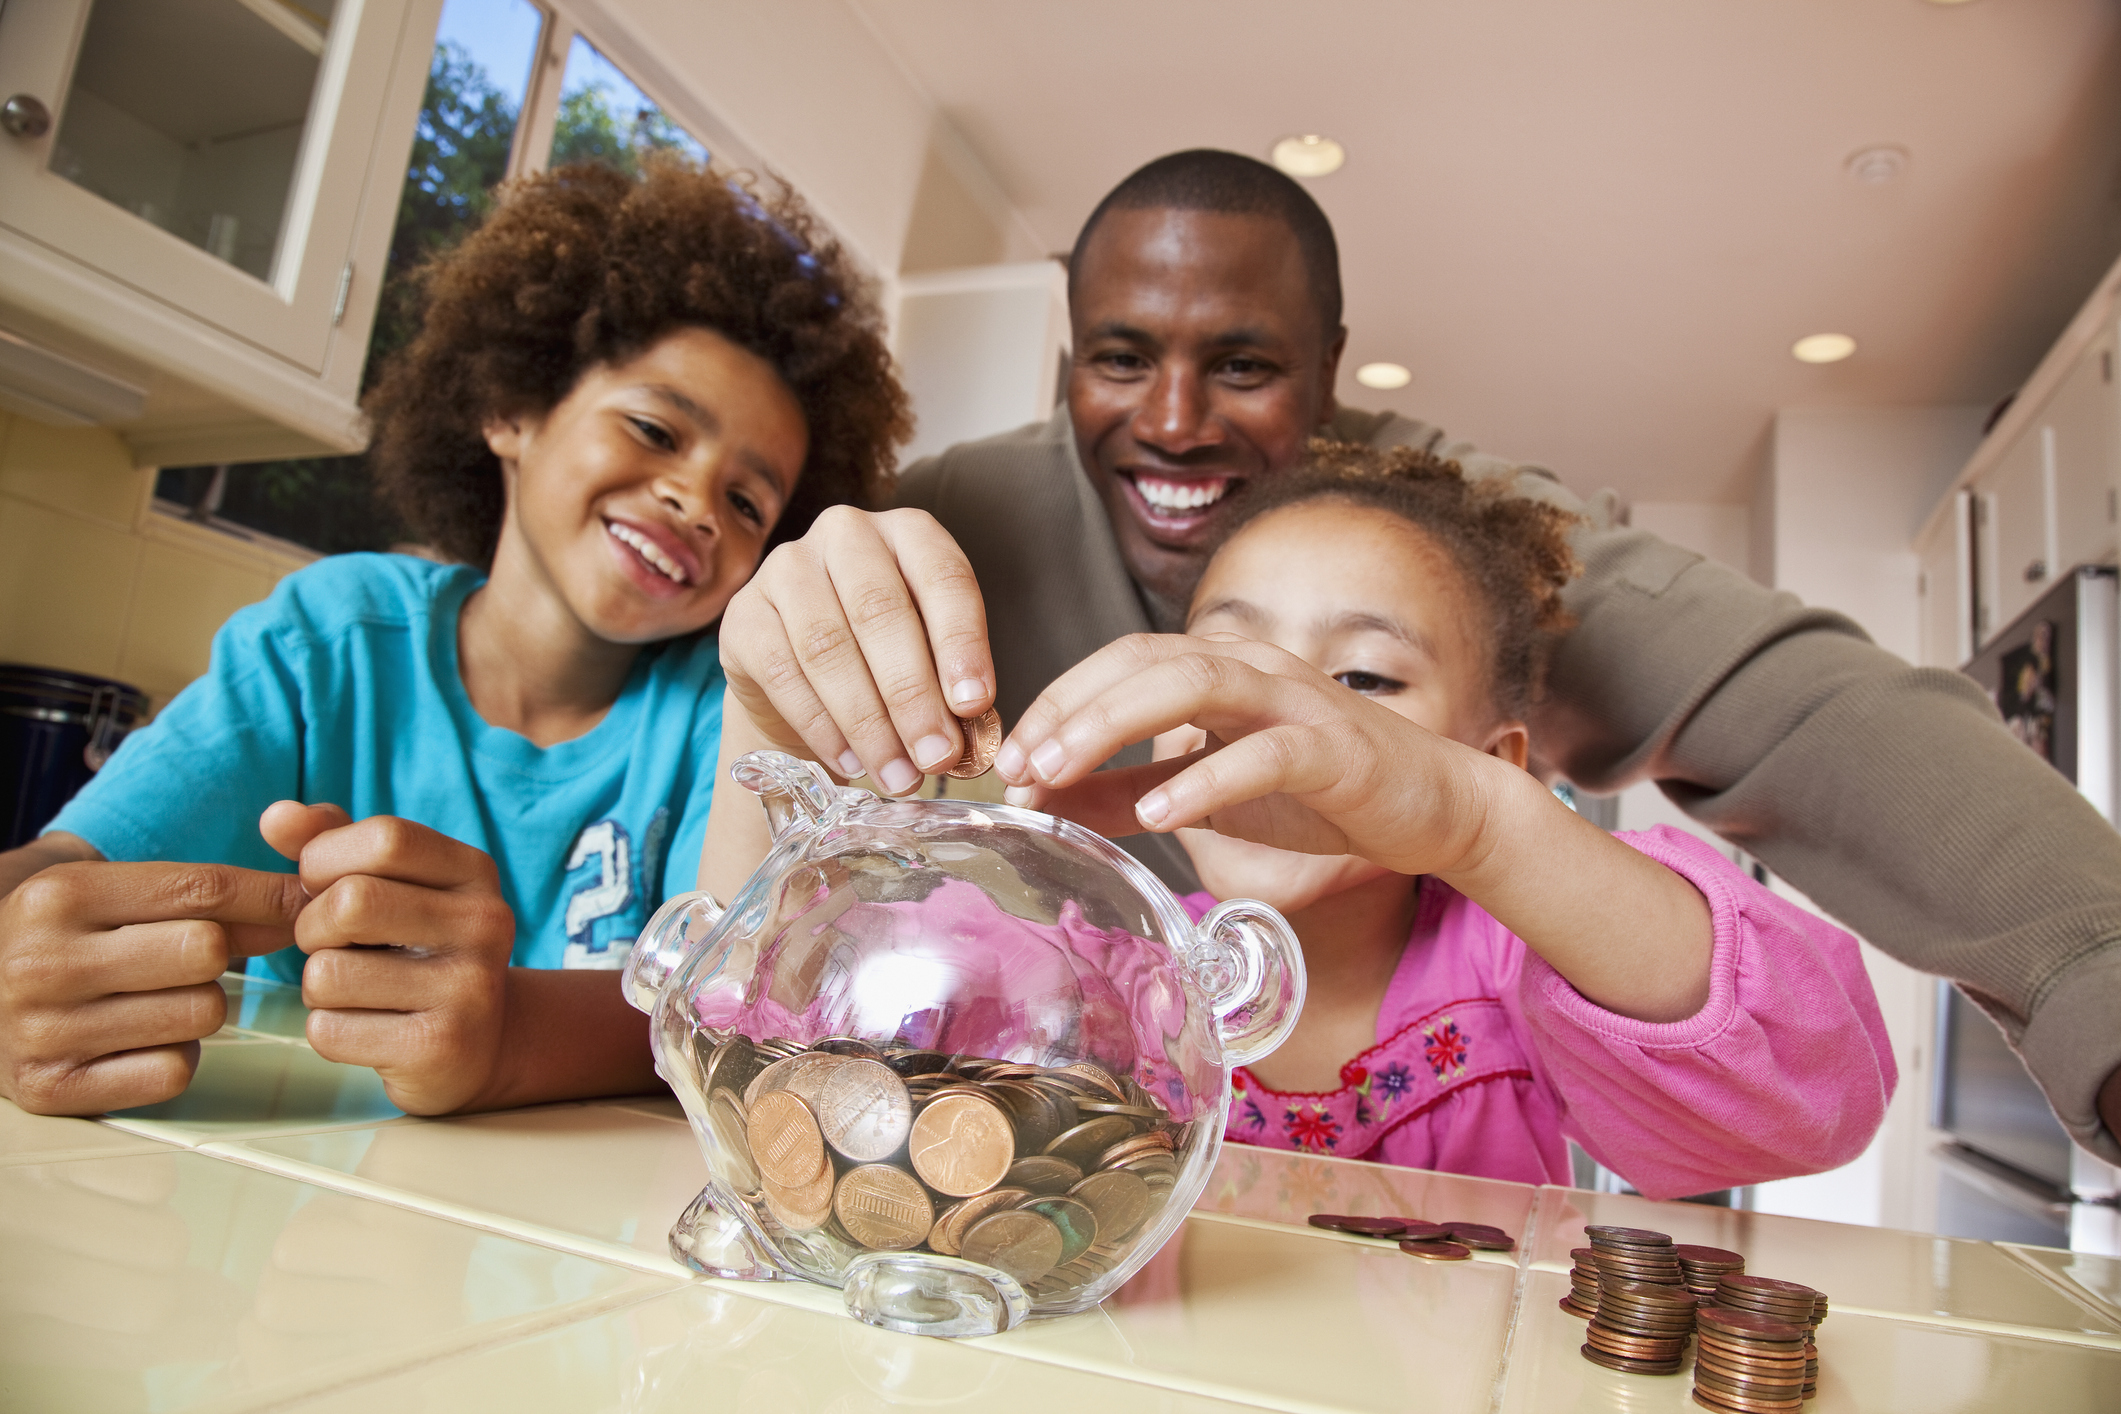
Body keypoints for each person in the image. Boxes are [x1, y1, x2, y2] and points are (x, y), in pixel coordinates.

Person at [718, 148, 2121, 1165]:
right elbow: (774, 1009)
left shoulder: (1509, 959)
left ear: (1331, 370)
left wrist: (2097, 979)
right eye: (1120, 358)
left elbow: (1797, 729)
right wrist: (767, 702)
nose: (1178, 419)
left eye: (1245, 366)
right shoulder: (1093, 972)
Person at [0, 159, 910, 1119]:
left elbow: (726, 1012)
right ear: (511, 407)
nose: (694, 501)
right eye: (653, 429)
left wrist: (510, 1036)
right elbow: (68, 868)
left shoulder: (715, 713)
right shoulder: (330, 639)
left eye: (745, 500)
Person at [1033, 443, 1892, 1195]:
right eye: (1224, 665)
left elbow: (1819, 1101)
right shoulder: (1103, 970)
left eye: (1363, 679)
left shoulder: (1515, 975)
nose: (1277, 713)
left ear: (1490, 764)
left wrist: (1483, 828)